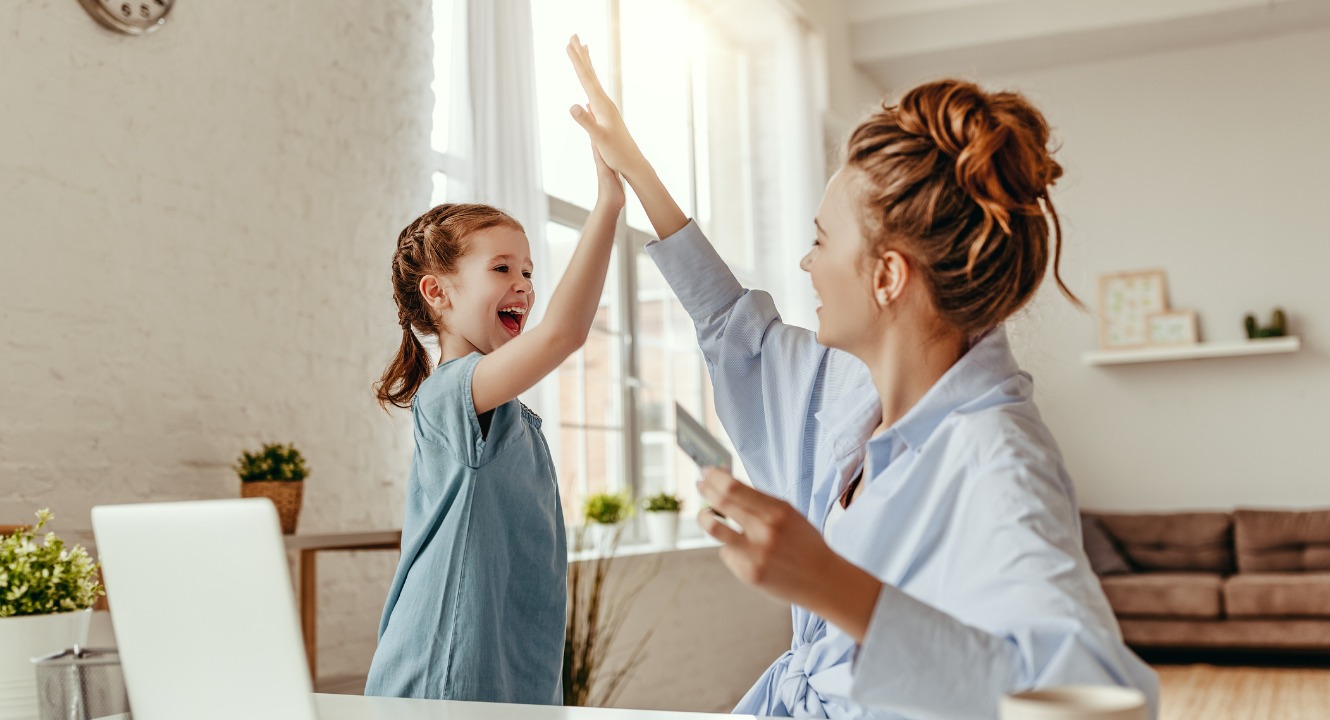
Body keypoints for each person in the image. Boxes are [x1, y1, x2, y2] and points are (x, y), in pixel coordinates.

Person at [566, 36, 1158, 720]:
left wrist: (829, 584)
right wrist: (635, 166)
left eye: (820, 239)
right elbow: (737, 329)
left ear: (887, 275)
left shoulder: (998, 462)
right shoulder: (850, 389)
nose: (804, 264)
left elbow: (1099, 705)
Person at [363, 146, 624, 704]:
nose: (524, 284)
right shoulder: (450, 394)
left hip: (507, 674)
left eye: (528, 270)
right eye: (501, 268)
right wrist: (607, 204)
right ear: (438, 292)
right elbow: (563, 334)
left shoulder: (509, 414)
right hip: (446, 668)